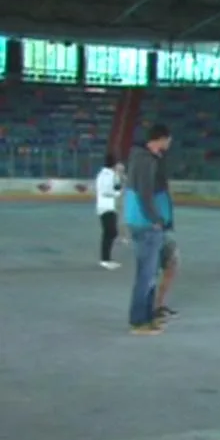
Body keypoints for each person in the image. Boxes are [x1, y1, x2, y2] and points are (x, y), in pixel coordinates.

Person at [123, 124, 174, 335]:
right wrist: (155, 219)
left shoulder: (146, 159)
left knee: (151, 273)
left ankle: (147, 316)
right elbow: (145, 193)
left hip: (147, 223)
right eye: (168, 140)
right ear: (160, 139)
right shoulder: (145, 161)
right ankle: (138, 321)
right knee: (146, 274)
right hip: (147, 224)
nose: (169, 144)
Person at [96, 154, 124, 270]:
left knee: (110, 232)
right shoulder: (107, 175)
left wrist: (119, 175)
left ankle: (106, 258)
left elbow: (116, 185)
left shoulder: (107, 174)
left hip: (107, 206)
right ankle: (105, 259)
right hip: (106, 206)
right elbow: (107, 190)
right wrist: (117, 193)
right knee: (110, 232)